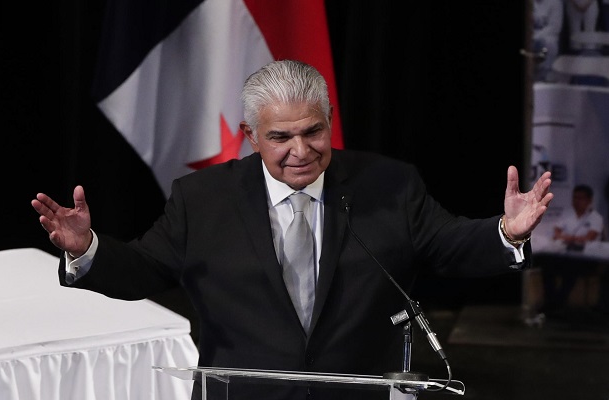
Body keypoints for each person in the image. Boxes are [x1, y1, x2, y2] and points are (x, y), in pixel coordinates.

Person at [31, 60, 553, 400]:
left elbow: (449, 245)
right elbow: (143, 271)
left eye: (313, 131)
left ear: (329, 121)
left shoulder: (388, 185)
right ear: (251, 137)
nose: (300, 151)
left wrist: (506, 230)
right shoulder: (203, 199)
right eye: (281, 137)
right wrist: (88, 250)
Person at [539, 184, 604, 316]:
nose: (577, 201)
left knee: (571, 269)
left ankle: (557, 303)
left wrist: (567, 237)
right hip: (566, 254)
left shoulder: (596, 217)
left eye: (580, 198)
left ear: (589, 200)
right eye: (575, 198)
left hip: (587, 259)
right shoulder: (567, 213)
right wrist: (572, 238)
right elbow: (556, 232)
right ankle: (551, 302)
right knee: (546, 264)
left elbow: (588, 238)